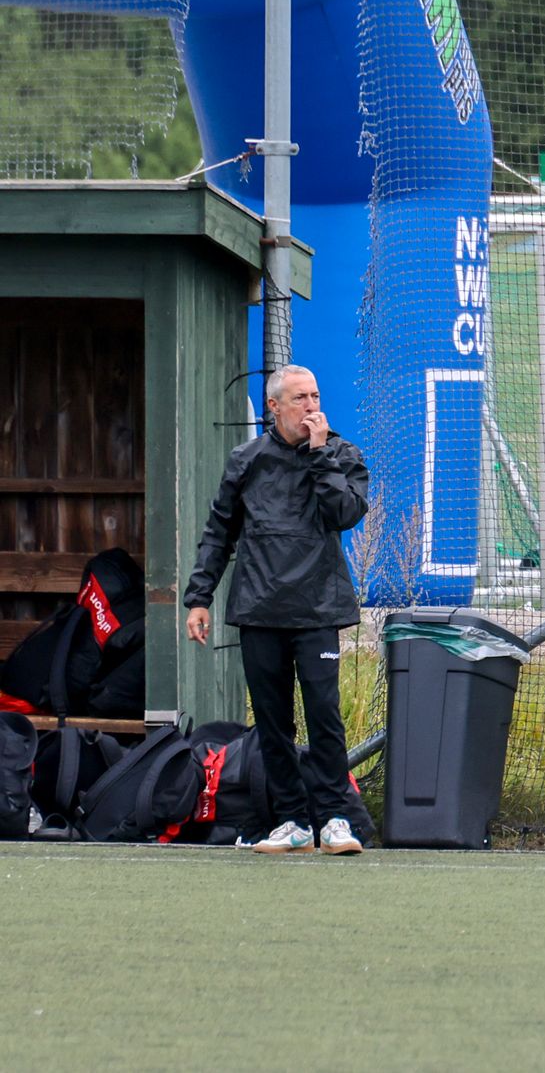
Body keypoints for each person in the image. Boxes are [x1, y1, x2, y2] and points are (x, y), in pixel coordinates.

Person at [184, 365, 371, 855]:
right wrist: (199, 598)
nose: (311, 406)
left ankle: (334, 819)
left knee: (325, 715)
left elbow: (345, 514)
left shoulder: (341, 454)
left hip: (318, 609)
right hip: (259, 608)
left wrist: (319, 454)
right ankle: (292, 822)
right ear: (274, 407)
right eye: (300, 398)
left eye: (315, 396)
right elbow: (219, 531)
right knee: (273, 722)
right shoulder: (246, 460)